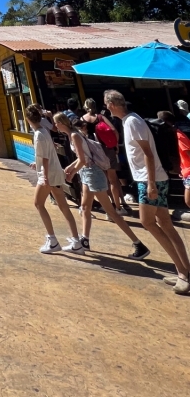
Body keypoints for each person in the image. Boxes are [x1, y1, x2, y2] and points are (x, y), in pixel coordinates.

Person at [105, 89, 190, 295]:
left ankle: (183, 272)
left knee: (148, 222)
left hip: (149, 179)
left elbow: (148, 154)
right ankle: (184, 271)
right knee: (165, 224)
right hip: (152, 178)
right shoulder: (130, 121)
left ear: (112, 104)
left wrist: (150, 184)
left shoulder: (132, 122)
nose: (106, 108)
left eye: (107, 104)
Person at [52, 113, 149, 259]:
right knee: (85, 208)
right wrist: (70, 168)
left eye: (56, 123)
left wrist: (71, 173)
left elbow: (82, 160)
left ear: (61, 123)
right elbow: (82, 158)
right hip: (87, 173)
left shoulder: (74, 136)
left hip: (92, 173)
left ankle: (138, 244)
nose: (55, 126)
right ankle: (84, 241)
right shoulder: (73, 135)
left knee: (111, 212)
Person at [25, 105, 82, 254]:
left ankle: (52, 240)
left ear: (28, 119)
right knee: (64, 206)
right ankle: (76, 241)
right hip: (55, 172)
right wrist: (37, 163)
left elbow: (44, 158)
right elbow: (47, 153)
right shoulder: (44, 131)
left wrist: (44, 176)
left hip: (47, 175)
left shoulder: (38, 134)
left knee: (38, 203)